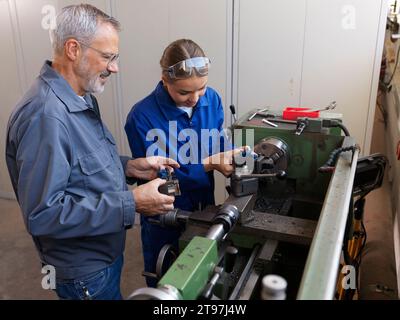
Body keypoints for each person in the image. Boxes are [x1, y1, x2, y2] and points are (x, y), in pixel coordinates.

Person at [5, 4, 179, 300]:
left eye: (116, 58)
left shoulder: (81, 96)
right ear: (73, 49)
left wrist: (130, 167)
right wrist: (131, 202)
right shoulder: (46, 117)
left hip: (104, 253)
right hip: (84, 272)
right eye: (108, 57)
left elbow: (78, 167)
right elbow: (43, 215)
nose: (115, 67)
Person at [125, 39, 240, 287]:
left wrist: (231, 154)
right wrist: (208, 165)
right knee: (168, 283)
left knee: (204, 281)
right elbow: (163, 185)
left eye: (201, 88)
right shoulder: (142, 117)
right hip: (164, 216)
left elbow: (218, 139)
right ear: (165, 80)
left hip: (205, 208)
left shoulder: (212, 99)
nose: (195, 98)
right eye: (184, 92)